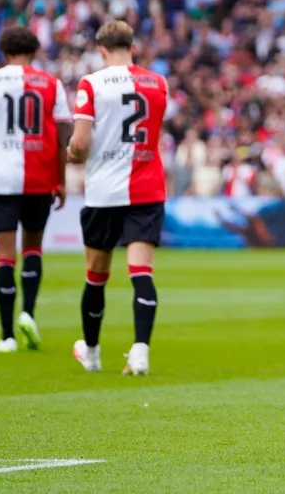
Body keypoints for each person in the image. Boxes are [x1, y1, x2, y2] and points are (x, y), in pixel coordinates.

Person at [66, 20, 169, 376]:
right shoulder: (159, 83)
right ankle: (140, 352)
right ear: (133, 47)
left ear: (101, 49)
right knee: (141, 272)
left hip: (104, 190)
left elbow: (80, 144)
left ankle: (92, 354)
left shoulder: (90, 83)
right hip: (147, 187)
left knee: (96, 275)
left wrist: (73, 154)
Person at [0, 26, 72, 353]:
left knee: (5, 257)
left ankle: (7, 336)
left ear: (3, 50)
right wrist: (61, 180)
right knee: (33, 249)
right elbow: (61, 140)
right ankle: (29, 314)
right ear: (35, 50)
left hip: (0, 179)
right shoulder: (52, 84)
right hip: (39, 178)